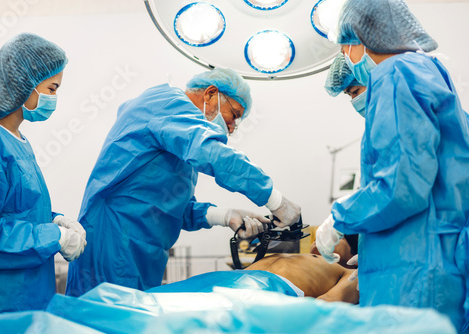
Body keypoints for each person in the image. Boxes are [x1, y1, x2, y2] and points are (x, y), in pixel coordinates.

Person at [66, 68, 302, 296]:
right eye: (234, 115)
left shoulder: (178, 139)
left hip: (142, 252)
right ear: (210, 94)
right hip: (113, 242)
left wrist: (226, 215)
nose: (231, 128)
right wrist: (276, 200)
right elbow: (216, 155)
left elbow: (172, 207)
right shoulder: (165, 104)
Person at [315, 0, 469, 332]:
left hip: (415, 273)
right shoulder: (429, 74)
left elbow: (402, 187)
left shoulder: (396, 73)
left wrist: (340, 217)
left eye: (344, 46)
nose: (346, 56)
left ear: (359, 38)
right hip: (435, 261)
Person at [0, 33, 87, 315]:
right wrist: (54, 237)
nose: (54, 97)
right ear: (24, 83)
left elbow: (16, 209)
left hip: (29, 296)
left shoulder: (15, 140)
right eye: (52, 87)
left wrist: (54, 220)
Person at [148, 252, 359, 304]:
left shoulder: (351, 273)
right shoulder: (314, 255)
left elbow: (326, 304)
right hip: (226, 279)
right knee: (151, 300)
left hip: (265, 288)